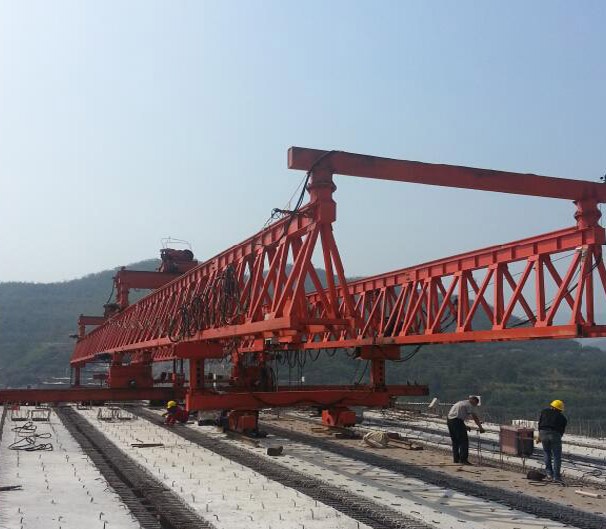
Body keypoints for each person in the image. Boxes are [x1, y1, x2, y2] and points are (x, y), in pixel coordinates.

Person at [446, 395, 485, 465]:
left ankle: (456, 459)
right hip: (457, 421)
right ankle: (463, 459)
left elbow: (458, 416)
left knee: (455, 441)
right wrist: (480, 427)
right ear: (474, 401)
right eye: (475, 404)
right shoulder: (469, 405)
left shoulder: (461, 402)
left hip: (450, 420)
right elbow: (475, 417)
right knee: (463, 440)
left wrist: (464, 426)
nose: (475, 406)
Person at [538, 399, 567, 481]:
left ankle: (549, 474)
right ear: (560, 409)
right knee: (556, 456)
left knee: (547, 452)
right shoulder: (563, 418)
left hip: (543, 433)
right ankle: (556, 477)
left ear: (552, 406)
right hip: (555, 434)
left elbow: (540, 424)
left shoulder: (544, 412)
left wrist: (540, 435)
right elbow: (561, 432)